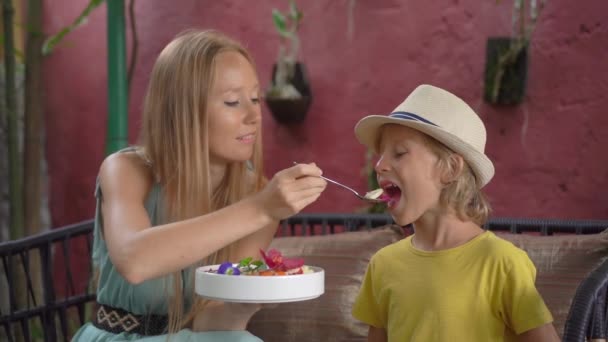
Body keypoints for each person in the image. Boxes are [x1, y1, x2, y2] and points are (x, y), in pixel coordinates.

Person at [72, 29, 327, 341]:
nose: (254, 116)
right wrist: (261, 207)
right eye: (232, 101)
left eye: (255, 99)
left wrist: (249, 299)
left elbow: (210, 321)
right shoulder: (126, 170)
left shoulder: (254, 193)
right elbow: (135, 261)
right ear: (183, 109)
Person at [351, 84, 560, 342]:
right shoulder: (382, 264)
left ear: (450, 169)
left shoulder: (502, 263)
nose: (380, 165)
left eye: (400, 153)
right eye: (380, 155)